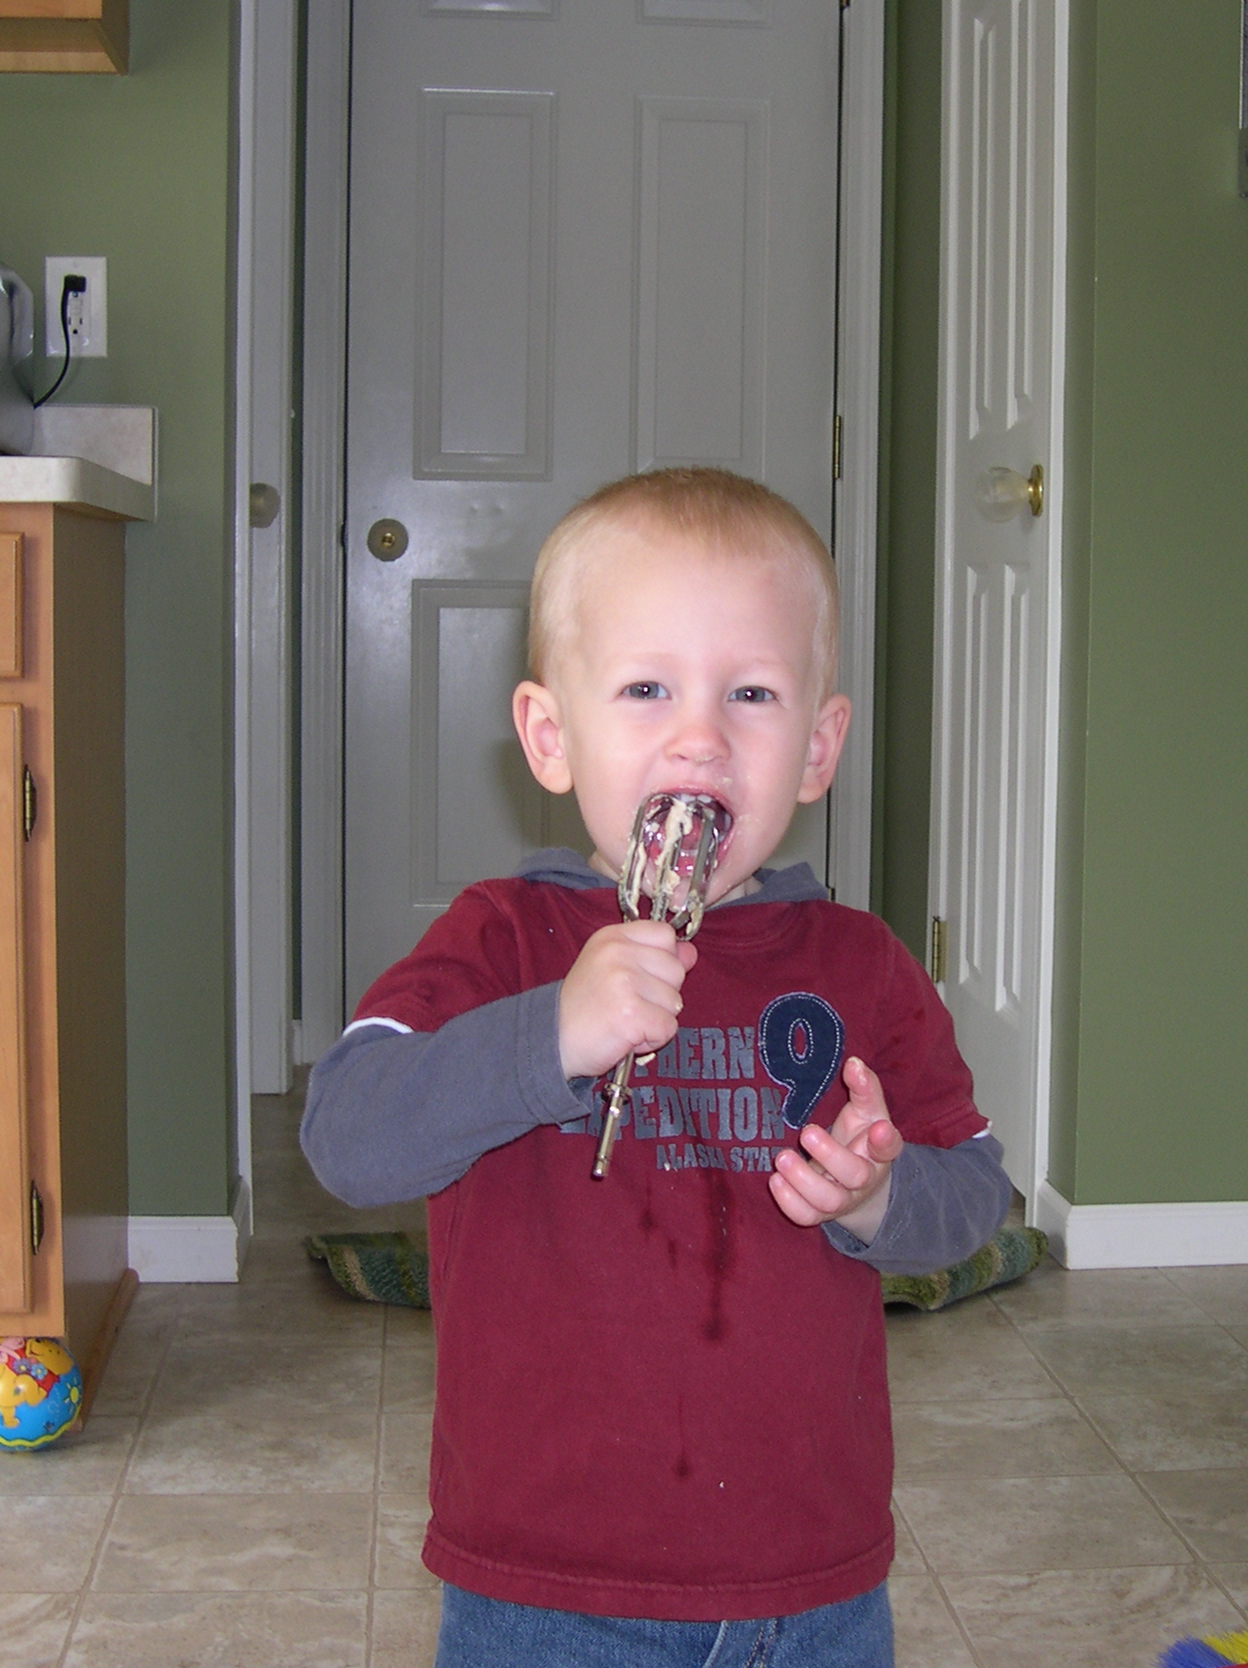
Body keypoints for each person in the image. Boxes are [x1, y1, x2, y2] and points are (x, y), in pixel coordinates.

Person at [301, 466, 1012, 1667]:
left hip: (816, 1589)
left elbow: (978, 1187)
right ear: (548, 734)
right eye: (644, 689)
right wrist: (551, 1035)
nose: (700, 734)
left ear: (818, 746)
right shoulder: (500, 941)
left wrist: (883, 1197)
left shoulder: (860, 966)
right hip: (546, 1593)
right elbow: (348, 1137)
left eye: (751, 692)